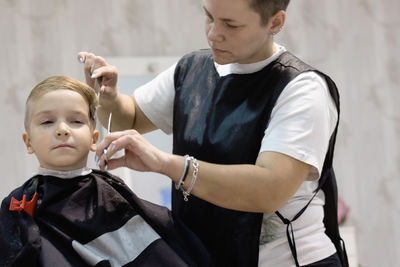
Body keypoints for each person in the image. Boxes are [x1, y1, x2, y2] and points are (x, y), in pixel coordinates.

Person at [78, 0, 348, 266]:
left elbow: (269, 189)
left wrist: (166, 164)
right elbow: (131, 117)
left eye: (231, 25)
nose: (212, 33)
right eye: (209, 17)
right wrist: (110, 97)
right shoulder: (191, 70)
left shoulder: (302, 88)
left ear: (275, 22)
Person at [0, 76, 213, 267]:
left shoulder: (112, 194)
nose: (63, 129)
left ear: (94, 139)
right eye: (47, 121)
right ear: (28, 143)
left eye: (76, 121)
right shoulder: (17, 204)